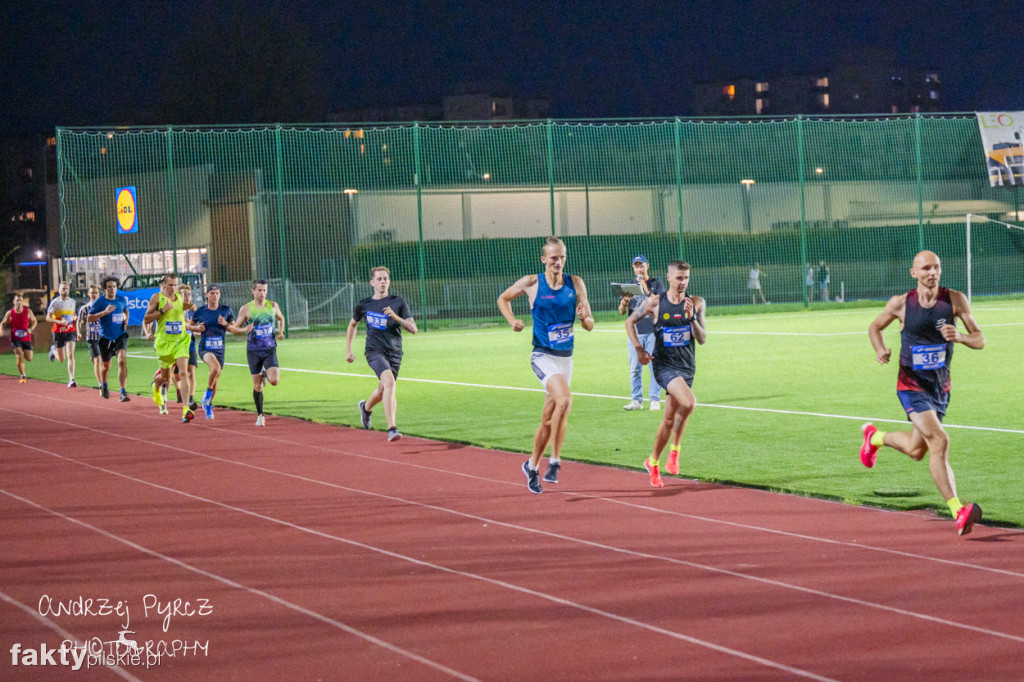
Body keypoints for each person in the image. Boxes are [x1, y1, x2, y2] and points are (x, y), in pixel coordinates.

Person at [860, 250, 985, 536]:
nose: (932, 272)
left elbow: (980, 339)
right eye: (926, 268)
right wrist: (881, 349)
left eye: (937, 267)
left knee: (917, 450)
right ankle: (958, 511)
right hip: (910, 386)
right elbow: (875, 327)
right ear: (914, 273)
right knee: (939, 440)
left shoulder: (954, 300)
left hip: (939, 389)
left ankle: (875, 438)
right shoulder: (902, 304)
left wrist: (961, 337)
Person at [498, 236, 595, 494]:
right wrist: (512, 321)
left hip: (566, 359)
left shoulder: (576, 283)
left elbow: (589, 324)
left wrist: (585, 318)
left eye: (562, 257)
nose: (558, 262)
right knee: (565, 400)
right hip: (542, 356)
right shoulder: (532, 283)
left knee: (548, 418)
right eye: (553, 258)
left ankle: (531, 466)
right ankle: (554, 462)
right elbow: (503, 299)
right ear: (544, 259)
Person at [626, 261, 706, 487]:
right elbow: (629, 322)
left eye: (686, 278)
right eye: (679, 278)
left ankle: (652, 462)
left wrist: (691, 319)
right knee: (689, 403)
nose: (683, 282)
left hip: (687, 366)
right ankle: (675, 451)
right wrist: (639, 349)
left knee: (669, 418)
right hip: (664, 366)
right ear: (669, 278)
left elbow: (702, 339)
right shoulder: (655, 303)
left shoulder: (697, 303)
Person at [346, 266, 418, 441]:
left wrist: (396, 317)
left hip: (394, 353)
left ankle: (366, 407)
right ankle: (392, 428)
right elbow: (352, 324)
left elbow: (413, 329)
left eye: (385, 279)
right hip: (374, 351)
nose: (382, 282)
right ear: (372, 282)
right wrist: (348, 349)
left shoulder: (398, 302)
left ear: (389, 281)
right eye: (379, 279)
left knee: (382, 390)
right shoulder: (364, 305)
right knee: (389, 383)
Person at [143, 273, 195, 422]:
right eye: (170, 285)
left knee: (183, 371)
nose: (173, 288)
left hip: (180, 341)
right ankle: (156, 387)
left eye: (175, 285)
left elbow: (185, 307)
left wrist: (190, 305)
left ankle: (186, 409)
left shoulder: (179, 296)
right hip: (164, 343)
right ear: (164, 285)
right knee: (165, 377)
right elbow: (146, 319)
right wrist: (162, 311)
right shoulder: (157, 298)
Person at [235, 279, 286, 427]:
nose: (262, 293)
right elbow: (234, 329)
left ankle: (265, 374)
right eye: (259, 290)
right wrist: (245, 330)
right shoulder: (246, 309)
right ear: (253, 291)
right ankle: (260, 415)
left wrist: (281, 330)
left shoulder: (273, 305)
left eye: (264, 290)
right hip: (253, 351)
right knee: (257, 386)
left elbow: (281, 318)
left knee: (275, 381)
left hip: (270, 349)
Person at [189, 284, 243, 420]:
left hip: (220, 349)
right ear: (206, 295)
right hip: (205, 348)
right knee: (215, 368)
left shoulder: (226, 310)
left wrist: (225, 324)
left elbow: (235, 329)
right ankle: (206, 396)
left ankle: (208, 406)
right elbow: (188, 326)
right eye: (212, 293)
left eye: (217, 293)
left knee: (216, 376)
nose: (214, 295)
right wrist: (196, 328)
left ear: (220, 295)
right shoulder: (200, 311)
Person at [617, 254, 664, 411]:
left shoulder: (656, 283)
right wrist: (624, 302)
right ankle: (636, 400)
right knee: (635, 367)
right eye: (636, 266)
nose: (639, 268)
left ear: (647, 266)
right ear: (633, 268)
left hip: (652, 330)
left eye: (641, 265)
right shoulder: (629, 286)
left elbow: (662, 303)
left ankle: (655, 399)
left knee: (654, 366)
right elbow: (622, 312)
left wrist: (646, 290)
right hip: (635, 333)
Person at [87, 276, 131, 401]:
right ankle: (104, 384)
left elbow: (125, 311)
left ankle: (123, 391)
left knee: (122, 360)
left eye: (114, 287)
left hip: (120, 335)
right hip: (105, 336)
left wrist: (126, 319)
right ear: (105, 289)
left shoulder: (121, 299)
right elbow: (89, 318)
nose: (112, 289)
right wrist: (104, 313)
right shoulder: (100, 302)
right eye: (109, 287)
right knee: (106, 366)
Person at [45, 281, 78, 387]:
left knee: (70, 355)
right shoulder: (55, 302)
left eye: (66, 288)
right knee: (62, 359)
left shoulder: (72, 301)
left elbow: (72, 314)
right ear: (59, 290)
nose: (65, 290)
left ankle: (71, 379)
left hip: (70, 331)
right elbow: (48, 318)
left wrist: (75, 317)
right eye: (63, 288)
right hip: (58, 332)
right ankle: (53, 350)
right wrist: (59, 322)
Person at [1, 292, 38, 383]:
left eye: (20, 300)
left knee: (29, 358)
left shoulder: (28, 311)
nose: (19, 302)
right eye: (17, 300)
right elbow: (2, 322)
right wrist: (1, 330)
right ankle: (23, 375)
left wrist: (31, 329)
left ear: (22, 302)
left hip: (26, 338)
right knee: (19, 354)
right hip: (15, 338)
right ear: (14, 302)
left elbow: (35, 321)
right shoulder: (10, 313)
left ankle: (23, 370)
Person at [76, 285, 104, 389]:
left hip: (102, 337)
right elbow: (79, 321)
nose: (94, 295)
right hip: (91, 338)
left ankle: (102, 380)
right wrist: (78, 332)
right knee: (97, 360)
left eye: (96, 293)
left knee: (101, 361)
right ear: (88, 294)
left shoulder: (103, 308)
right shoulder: (84, 308)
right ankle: (101, 384)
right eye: (92, 293)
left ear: (98, 294)